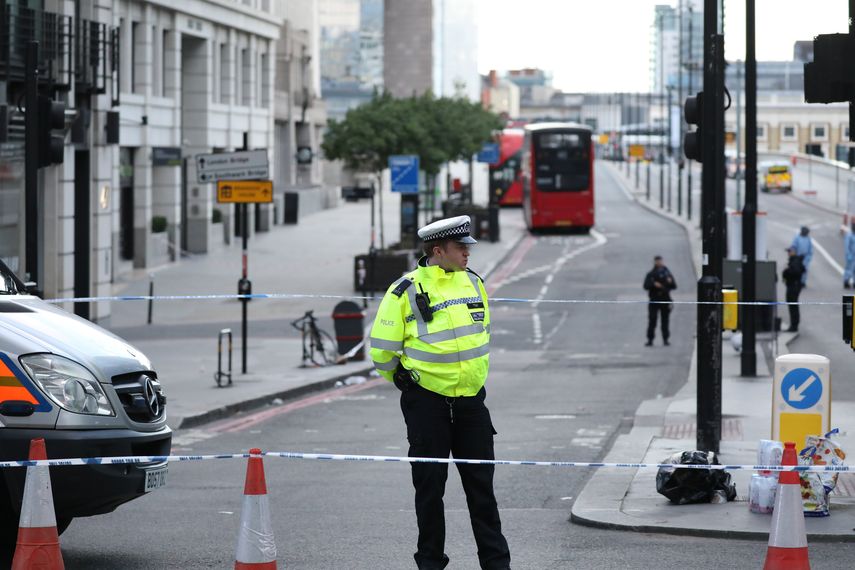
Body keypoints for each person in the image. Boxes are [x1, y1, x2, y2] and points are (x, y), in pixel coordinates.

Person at [369, 215, 511, 570]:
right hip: (427, 404)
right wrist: (404, 381)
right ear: (438, 250)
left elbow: (482, 336)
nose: (467, 253)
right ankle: (430, 562)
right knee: (430, 490)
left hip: (471, 404)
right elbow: (382, 350)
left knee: (483, 492)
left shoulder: (474, 283)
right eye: (460, 247)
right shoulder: (405, 290)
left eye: (468, 247)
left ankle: (497, 564)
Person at [643, 255, 677, 346]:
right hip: (654, 300)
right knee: (652, 320)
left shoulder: (667, 273)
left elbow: (674, 285)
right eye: (657, 261)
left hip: (665, 299)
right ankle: (650, 339)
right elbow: (645, 286)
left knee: (665, 321)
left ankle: (665, 339)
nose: (659, 263)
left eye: (660, 261)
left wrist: (669, 282)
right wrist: (654, 284)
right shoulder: (651, 274)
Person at [783, 246, 805, 332]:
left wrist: (786, 271)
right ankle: (794, 324)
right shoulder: (794, 260)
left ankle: (794, 325)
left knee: (793, 305)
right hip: (793, 285)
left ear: (794, 252)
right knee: (792, 305)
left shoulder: (795, 261)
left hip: (793, 285)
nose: (788, 253)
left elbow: (797, 271)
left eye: (790, 251)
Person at [844, 224, 855, 289]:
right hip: (851, 256)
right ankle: (846, 281)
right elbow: (847, 246)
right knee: (849, 269)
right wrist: (848, 254)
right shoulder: (849, 235)